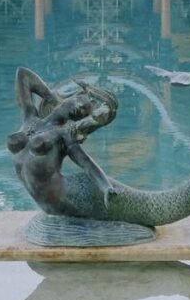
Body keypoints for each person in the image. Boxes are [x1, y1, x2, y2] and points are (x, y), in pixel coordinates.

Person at [7, 68, 120, 216]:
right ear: (65, 99)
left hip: (59, 200)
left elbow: (86, 162)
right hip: (45, 205)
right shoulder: (30, 116)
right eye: (79, 101)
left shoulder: (64, 134)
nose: (80, 108)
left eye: (83, 112)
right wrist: (51, 97)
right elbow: (22, 75)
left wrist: (106, 187)